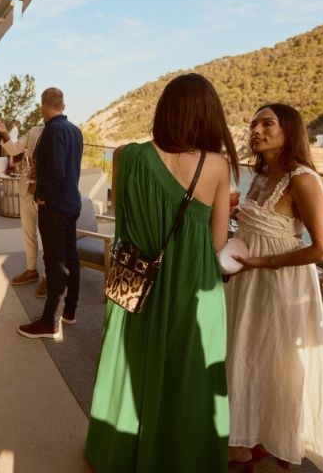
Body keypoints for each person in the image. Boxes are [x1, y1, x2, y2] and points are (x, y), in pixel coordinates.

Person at [85, 73, 238, 471]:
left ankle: (118, 453)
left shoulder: (126, 155)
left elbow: (122, 220)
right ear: (208, 116)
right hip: (193, 286)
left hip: (135, 281)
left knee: (130, 360)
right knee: (187, 375)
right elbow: (218, 242)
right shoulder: (217, 166)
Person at [225, 103, 323, 472]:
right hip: (248, 278)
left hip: (280, 283)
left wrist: (266, 262)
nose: (256, 130)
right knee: (247, 357)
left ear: (289, 130)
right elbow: (264, 226)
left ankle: (265, 439)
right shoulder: (260, 175)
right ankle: (247, 438)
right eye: (253, 123)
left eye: (267, 123)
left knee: (276, 363)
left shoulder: (301, 179)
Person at [18, 88, 82, 339]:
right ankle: (70, 311)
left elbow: (55, 172)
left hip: (54, 207)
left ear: (43, 105)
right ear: (62, 104)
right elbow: (68, 167)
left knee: (54, 263)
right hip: (71, 203)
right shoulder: (75, 131)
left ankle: (48, 321)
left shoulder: (52, 131)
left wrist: (42, 196)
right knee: (71, 258)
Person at [2, 124, 47, 298]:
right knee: (28, 233)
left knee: (48, 237)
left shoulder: (61, 132)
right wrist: (4, 133)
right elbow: (13, 150)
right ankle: (31, 270)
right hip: (27, 188)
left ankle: (48, 277)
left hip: (46, 194)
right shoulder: (34, 131)